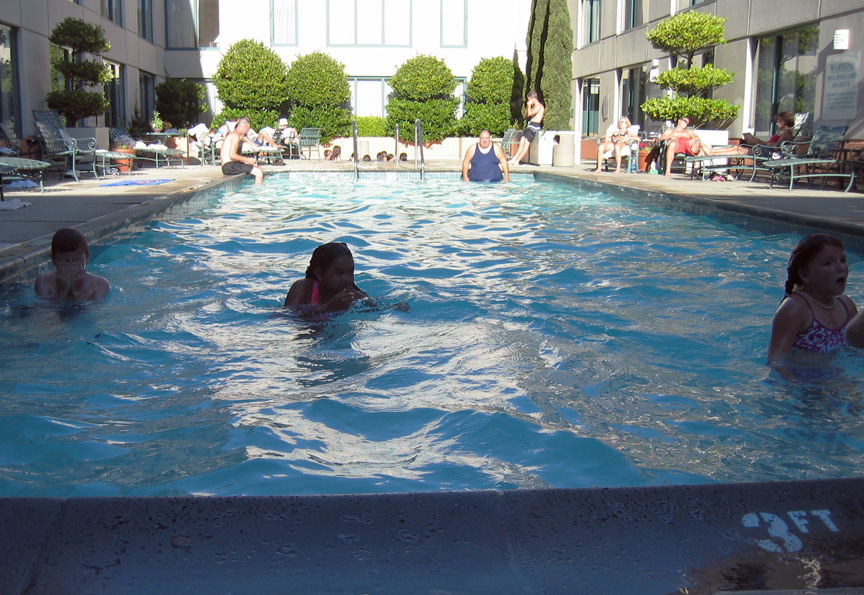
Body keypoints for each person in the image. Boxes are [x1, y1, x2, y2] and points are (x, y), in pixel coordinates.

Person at [767, 234, 857, 364]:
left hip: (836, 377)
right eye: (828, 263)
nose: (841, 267)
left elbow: (855, 350)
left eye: (842, 260)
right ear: (805, 275)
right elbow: (776, 361)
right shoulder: (795, 309)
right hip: (803, 379)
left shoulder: (847, 306)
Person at [283, 242, 367, 314]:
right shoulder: (303, 288)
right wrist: (328, 308)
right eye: (339, 273)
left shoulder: (352, 295)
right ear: (319, 274)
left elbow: (376, 309)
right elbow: (287, 318)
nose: (347, 279)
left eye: (350, 272)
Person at [35, 228, 110, 301]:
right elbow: (43, 312)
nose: (71, 265)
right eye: (65, 261)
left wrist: (78, 291)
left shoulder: (100, 285)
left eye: (75, 260)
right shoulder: (44, 281)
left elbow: (92, 313)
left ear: (87, 258)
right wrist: (61, 292)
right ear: (53, 260)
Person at [220, 115, 264, 185]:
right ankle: (258, 193)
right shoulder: (235, 136)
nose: (247, 131)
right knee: (259, 172)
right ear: (245, 127)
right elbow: (232, 155)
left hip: (230, 165)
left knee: (258, 168)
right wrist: (247, 160)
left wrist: (247, 162)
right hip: (229, 166)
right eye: (248, 129)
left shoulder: (234, 135)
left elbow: (242, 138)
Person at [509, 91, 545, 167]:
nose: (528, 101)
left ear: (533, 99)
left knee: (526, 144)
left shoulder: (539, 106)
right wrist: (528, 106)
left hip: (534, 126)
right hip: (530, 125)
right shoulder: (534, 107)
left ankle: (517, 161)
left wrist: (529, 106)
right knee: (521, 142)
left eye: (529, 100)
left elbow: (529, 114)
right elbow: (526, 115)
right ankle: (514, 159)